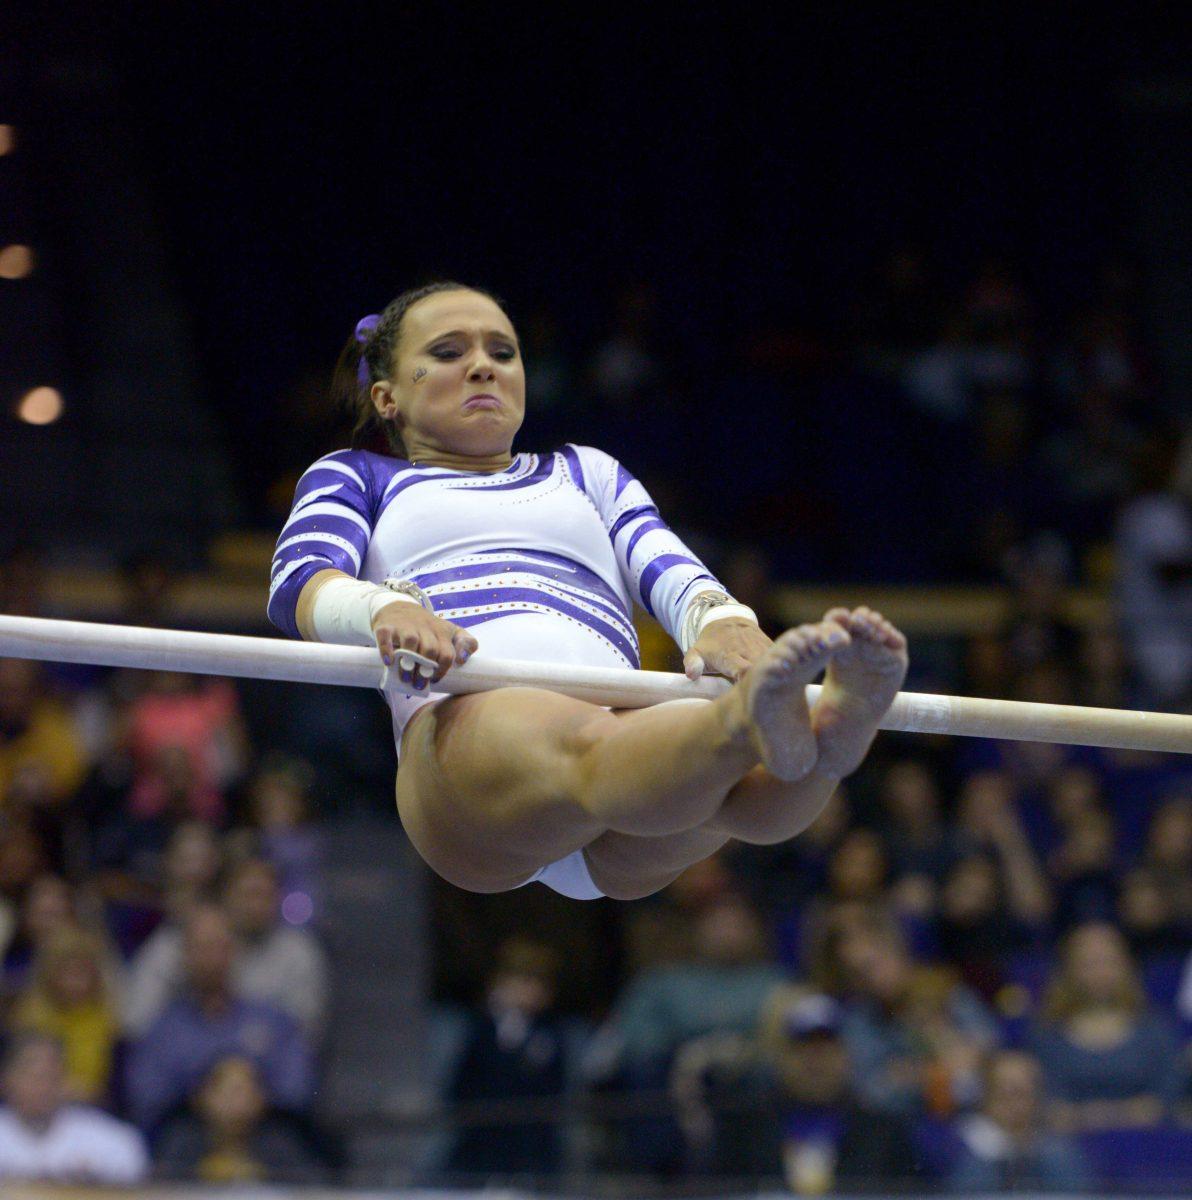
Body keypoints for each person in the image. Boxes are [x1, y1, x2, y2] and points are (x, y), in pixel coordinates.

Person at [268, 281, 909, 902]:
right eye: (448, 352)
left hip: (627, 748)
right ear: (386, 398)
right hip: (470, 743)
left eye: (501, 351)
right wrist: (385, 608)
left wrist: (718, 621)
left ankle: (823, 744)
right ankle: (759, 722)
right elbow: (299, 581)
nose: (483, 367)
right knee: (607, 746)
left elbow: (666, 564)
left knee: (741, 798)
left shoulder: (587, 472)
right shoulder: (358, 476)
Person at [126, 903, 315, 1131]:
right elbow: (147, 1096)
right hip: (188, 1137)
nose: (213, 958)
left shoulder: (273, 1021)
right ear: (185, 955)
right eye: (203, 948)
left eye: (221, 946)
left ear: (236, 952)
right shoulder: (164, 1030)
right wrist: (207, 1097)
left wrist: (249, 1099)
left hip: (265, 1135)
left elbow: (296, 1089)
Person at [0, 1033, 147, 1185]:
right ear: (6, 1079)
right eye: (32, 1076)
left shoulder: (113, 1141)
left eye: (50, 1076)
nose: (42, 1087)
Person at [948, 1051, 1091, 1193]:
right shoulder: (965, 1146)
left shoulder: (1056, 1152)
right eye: (1005, 1094)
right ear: (986, 1097)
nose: (1014, 1105)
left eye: (1021, 1093)